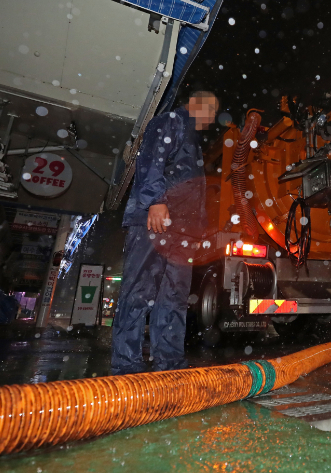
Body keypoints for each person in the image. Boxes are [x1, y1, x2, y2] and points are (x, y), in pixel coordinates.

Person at [111, 91, 218, 375]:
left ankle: (169, 362)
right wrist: (155, 201)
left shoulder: (192, 139)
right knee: (138, 291)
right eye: (212, 112)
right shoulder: (171, 121)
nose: (213, 119)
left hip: (181, 231)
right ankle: (126, 364)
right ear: (198, 105)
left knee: (174, 296)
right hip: (157, 220)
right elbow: (152, 158)